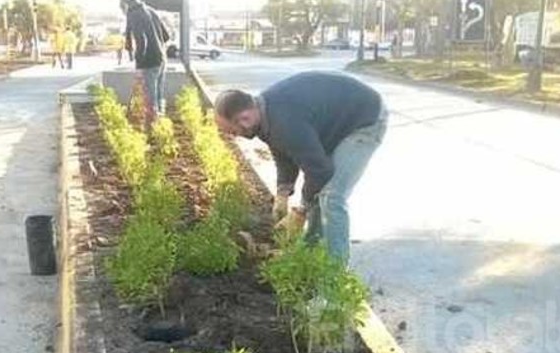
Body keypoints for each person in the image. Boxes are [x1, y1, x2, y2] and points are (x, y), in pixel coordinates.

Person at [213, 73, 387, 262]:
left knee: (332, 195)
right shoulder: (263, 115)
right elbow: (283, 153)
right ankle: (310, 252)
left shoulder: (285, 122)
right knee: (317, 192)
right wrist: (282, 193)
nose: (234, 136)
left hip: (364, 120)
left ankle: (334, 273)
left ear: (244, 118)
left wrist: (301, 211)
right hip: (334, 125)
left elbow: (320, 171)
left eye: (232, 130)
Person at [122, 0, 171, 117]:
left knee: (150, 100)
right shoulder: (151, 11)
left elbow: (142, 41)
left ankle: (152, 128)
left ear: (125, 5)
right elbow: (166, 36)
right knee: (158, 96)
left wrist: (139, 66)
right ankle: (160, 124)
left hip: (149, 62)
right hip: (161, 59)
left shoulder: (134, 15)